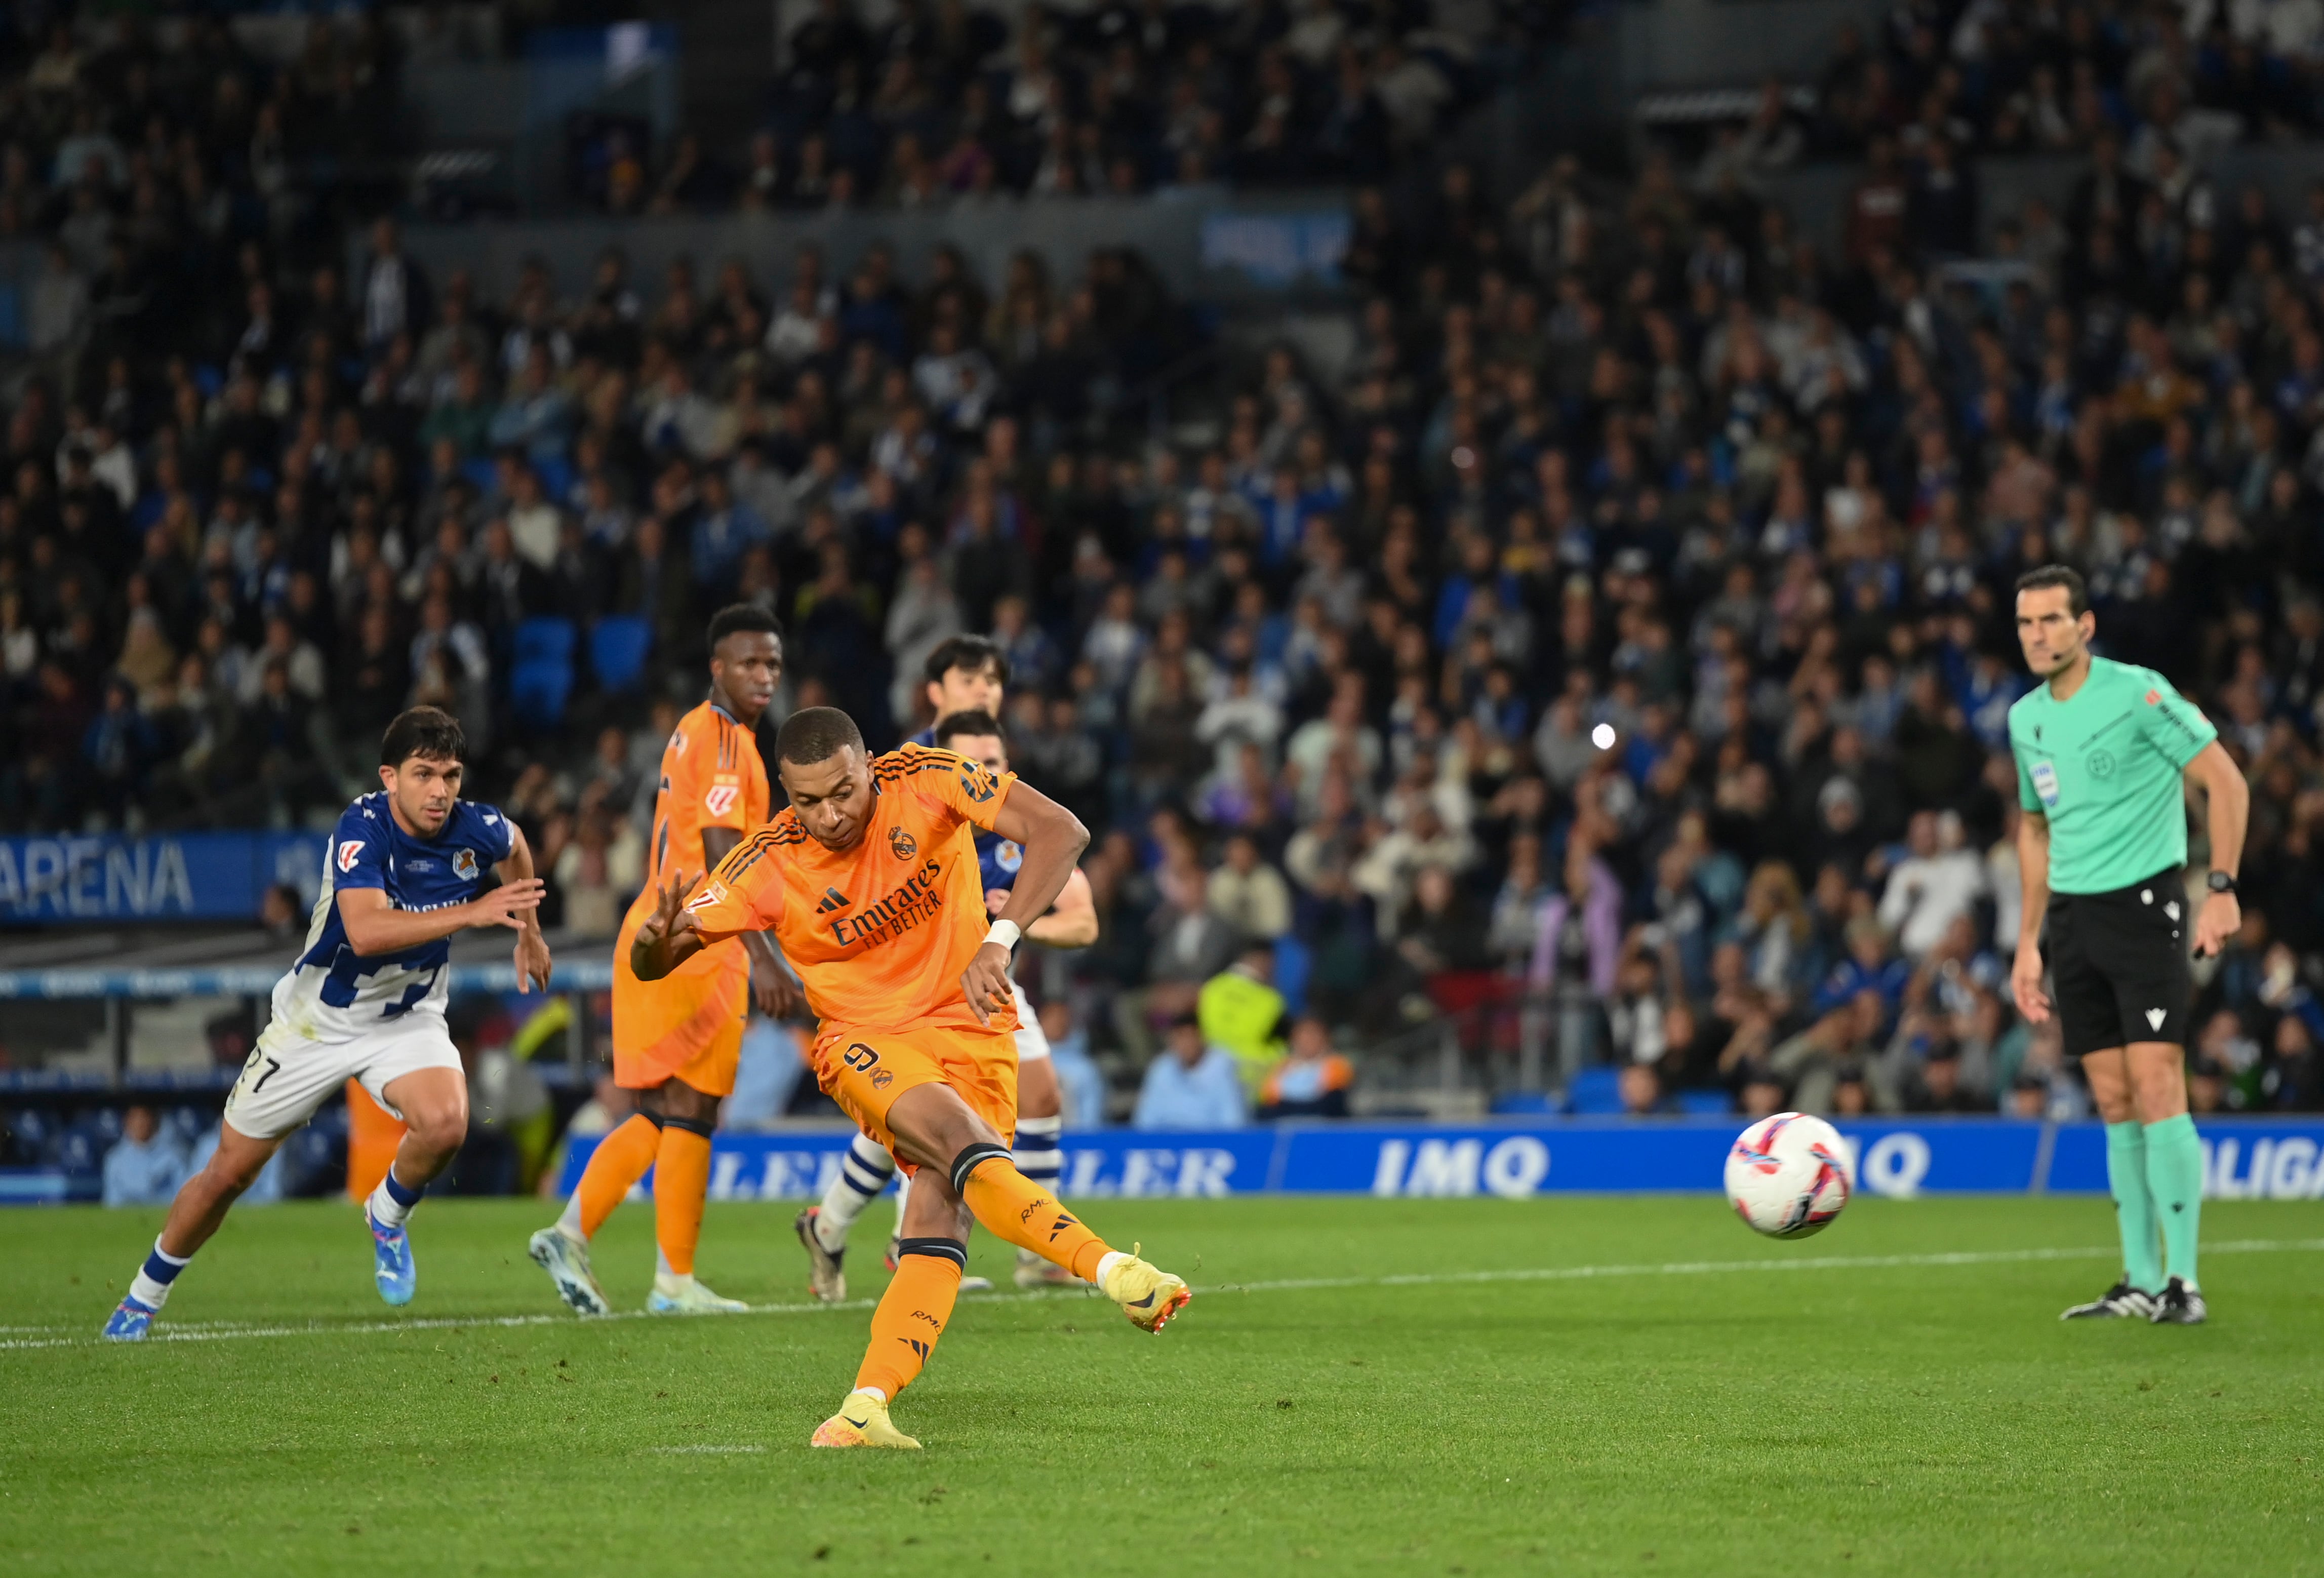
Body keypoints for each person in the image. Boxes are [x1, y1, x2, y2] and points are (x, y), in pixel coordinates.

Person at [631, 707, 1190, 1449]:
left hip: (975, 1025)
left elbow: (1063, 831)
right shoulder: (767, 860)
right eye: (806, 801)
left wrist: (1001, 939)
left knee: (941, 1210)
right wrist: (647, 945)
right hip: (864, 1039)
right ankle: (1112, 1267)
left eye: (842, 791)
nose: (828, 815)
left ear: (868, 764)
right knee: (958, 1141)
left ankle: (865, 1407)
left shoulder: (927, 777)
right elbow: (658, 958)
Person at [103, 707, 550, 1340]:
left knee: (448, 1122)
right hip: (318, 1024)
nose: (439, 790)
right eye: (423, 774)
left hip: (406, 1019)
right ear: (389, 777)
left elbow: (516, 845)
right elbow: (365, 932)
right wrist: (474, 913)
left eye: (450, 775)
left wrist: (528, 934)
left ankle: (387, 1213)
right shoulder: (361, 828)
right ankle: (141, 1297)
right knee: (229, 1172)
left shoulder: (475, 826)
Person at [529, 604, 797, 1316]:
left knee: (674, 1109)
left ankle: (603, 1247)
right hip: (693, 942)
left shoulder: (694, 729)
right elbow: (719, 855)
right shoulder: (726, 742)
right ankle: (651, 1268)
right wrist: (764, 956)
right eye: (748, 662)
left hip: (665, 933)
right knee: (687, 1107)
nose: (764, 675)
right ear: (717, 667)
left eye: (772, 663)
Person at [2008, 566, 2249, 1325]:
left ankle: (2184, 1281)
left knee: (2155, 1089)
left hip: (2144, 908)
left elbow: (2225, 780)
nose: (2037, 635)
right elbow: (2033, 826)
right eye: (2025, 623)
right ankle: (2139, 1278)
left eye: (2050, 620)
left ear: (2085, 626)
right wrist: (2026, 943)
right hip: (2073, 922)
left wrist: (2220, 889)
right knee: (2112, 1101)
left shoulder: (2138, 693)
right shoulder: (2024, 720)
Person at [795, 706, 1100, 1298]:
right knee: (930, 1111)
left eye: (990, 763)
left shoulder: (1014, 842)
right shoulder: (911, 819)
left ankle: (831, 1224)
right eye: (969, 761)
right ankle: (905, 1238)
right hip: (910, 997)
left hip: (987, 981)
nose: (978, 771)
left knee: (1030, 1095)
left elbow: (1084, 923)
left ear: (1006, 768)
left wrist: (1010, 927)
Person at [1134, 1012, 1248, 1129]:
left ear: (1202, 1038)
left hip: (1209, 1141)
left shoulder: (1224, 1068)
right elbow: (1145, 1121)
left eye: (1190, 1037)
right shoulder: (1161, 1068)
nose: (1186, 1045)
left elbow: (1233, 1122)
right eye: (1180, 1038)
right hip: (1166, 1141)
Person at [101, 1105, 186, 1207]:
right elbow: (112, 1203)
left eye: (145, 1117)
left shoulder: (173, 1157)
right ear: (127, 1123)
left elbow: (182, 1198)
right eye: (136, 1118)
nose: (141, 1123)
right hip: (127, 1219)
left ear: (154, 1122)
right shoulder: (114, 1159)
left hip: (163, 1216)